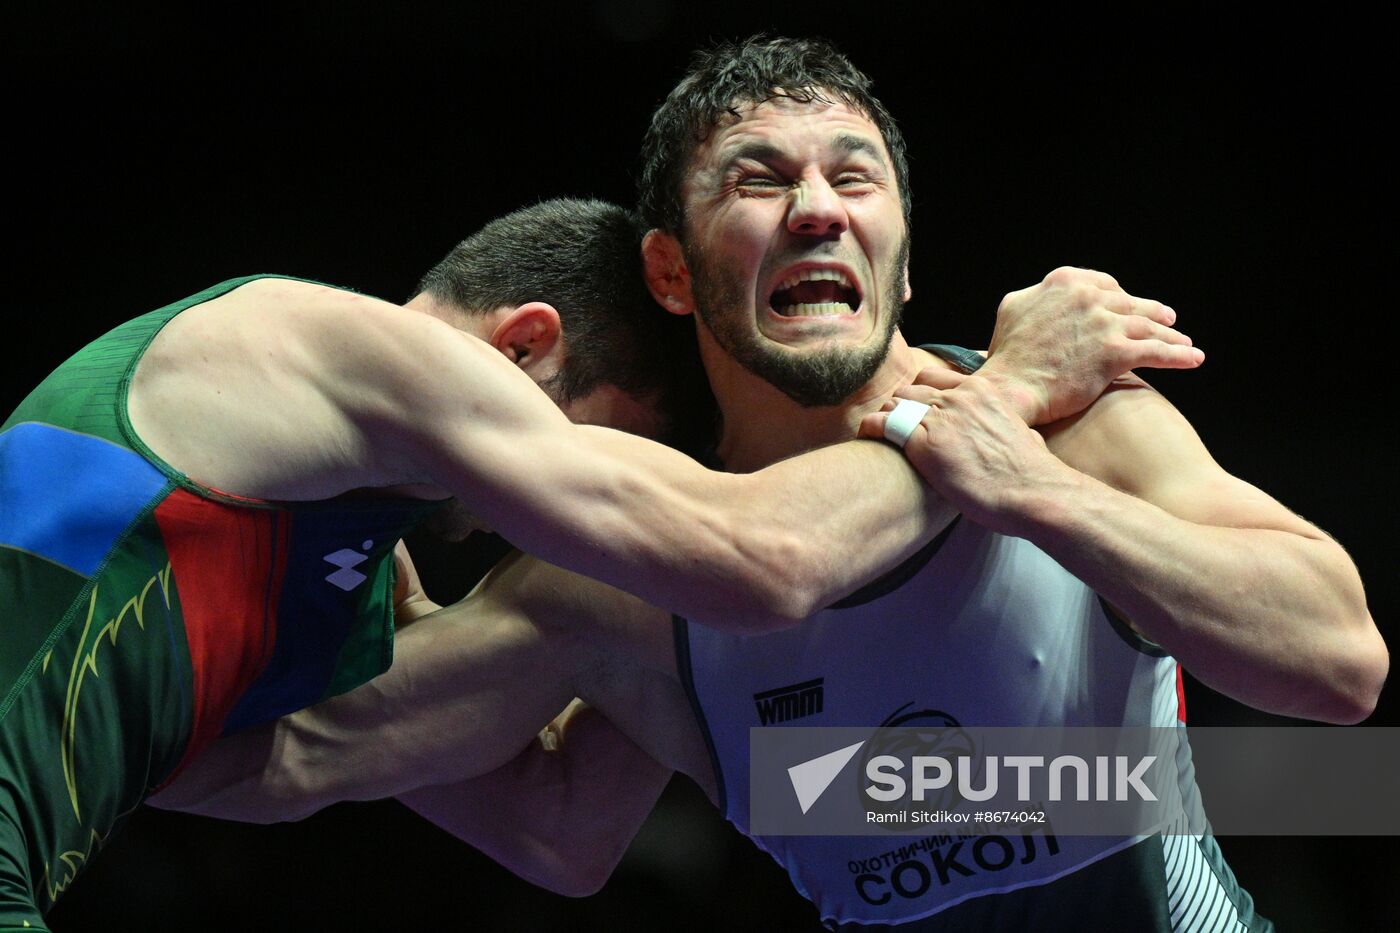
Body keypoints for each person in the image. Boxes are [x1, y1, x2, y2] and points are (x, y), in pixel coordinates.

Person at [151, 36, 1386, 930]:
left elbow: (1337, 666)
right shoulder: (632, 581)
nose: (814, 211)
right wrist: (321, 600)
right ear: (673, 273)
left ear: (902, 259)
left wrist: (1043, 498)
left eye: (852, 179)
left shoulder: (1073, 424)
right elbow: (536, 825)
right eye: (756, 179)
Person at [0, 186, 1183, 933]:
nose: (570, 526)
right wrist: (1003, 397)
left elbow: (551, 829)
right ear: (524, 346)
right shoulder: (326, 339)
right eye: (610, 470)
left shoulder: (327, 560)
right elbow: (759, 553)